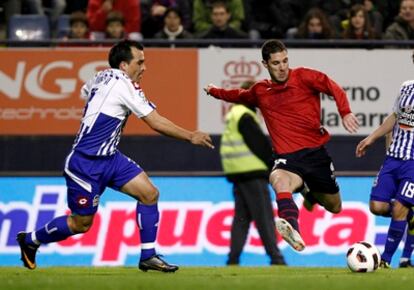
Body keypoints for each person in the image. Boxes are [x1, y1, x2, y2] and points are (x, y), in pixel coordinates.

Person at [16, 39, 214, 272]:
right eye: (140, 62)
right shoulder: (123, 84)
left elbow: (85, 90)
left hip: (110, 158)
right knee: (81, 224)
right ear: (123, 66)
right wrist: (191, 136)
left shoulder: (101, 76)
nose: (144, 67)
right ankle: (30, 240)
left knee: (149, 194)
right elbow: (155, 121)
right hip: (84, 163)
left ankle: (148, 256)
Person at [205, 39, 359, 251]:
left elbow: (333, 87)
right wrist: (214, 91)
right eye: (276, 63)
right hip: (288, 158)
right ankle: (293, 228)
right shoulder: (260, 91)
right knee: (278, 180)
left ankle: (307, 191)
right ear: (265, 64)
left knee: (335, 207)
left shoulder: (305, 77)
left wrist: (345, 111)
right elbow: (238, 95)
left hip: (315, 155)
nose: (282, 66)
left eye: (285, 61)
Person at [356, 52, 414, 267]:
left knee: (400, 206)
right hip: (393, 158)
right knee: (377, 206)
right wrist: (372, 137)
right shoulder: (406, 86)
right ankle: (410, 213)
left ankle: (386, 260)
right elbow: (395, 117)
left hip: (413, 162)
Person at [221, 81, 285, 266]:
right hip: (252, 172)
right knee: (264, 216)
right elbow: (259, 145)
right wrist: (273, 164)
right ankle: (276, 258)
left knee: (241, 219)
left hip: (238, 172)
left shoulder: (234, 114)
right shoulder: (245, 116)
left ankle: (232, 260)